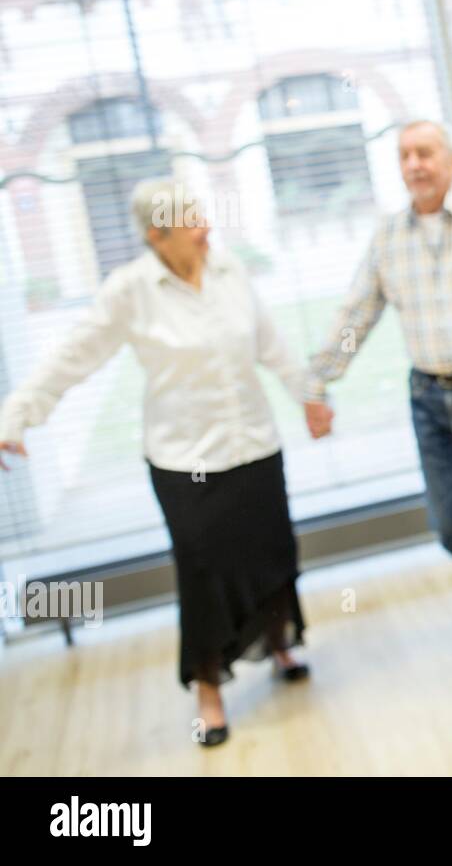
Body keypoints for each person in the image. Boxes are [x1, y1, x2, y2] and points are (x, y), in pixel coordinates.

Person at [0, 179, 325, 748]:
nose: (206, 228)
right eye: (190, 220)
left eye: (203, 214)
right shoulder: (130, 290)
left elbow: (271, 344)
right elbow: (72, 357)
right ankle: (208, 689)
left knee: (271, 552)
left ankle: (277, 644)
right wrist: (17, 416)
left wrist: (310, 395)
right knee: (202, 571)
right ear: (156, 234)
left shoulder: (228, 271)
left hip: (253, 445)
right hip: (184, 459)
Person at [304, 120, 452, 661]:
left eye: (424, 152)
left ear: (451, 162)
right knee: (450, 521)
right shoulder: (388, 236)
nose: (414, 164)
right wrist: (318, 381)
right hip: (430, 396)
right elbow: (355, 314)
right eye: (405, 155)